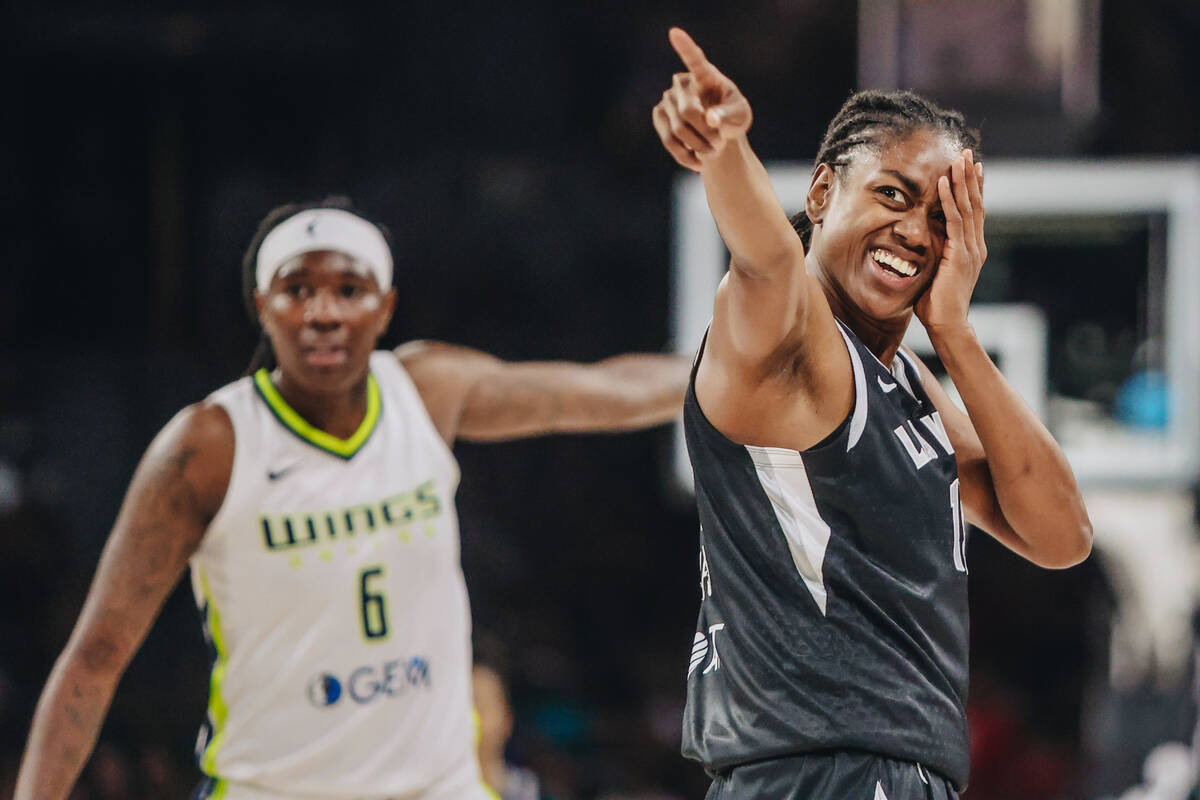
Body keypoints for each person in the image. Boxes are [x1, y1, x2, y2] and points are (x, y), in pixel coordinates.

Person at [15, 199, 689, 800]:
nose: (324, 312)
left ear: (386, 305)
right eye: (297, 289)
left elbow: (605, 390)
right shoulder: (210, 445)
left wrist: (731, 363)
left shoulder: (427, 392)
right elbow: (96, 654)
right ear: (262, 305)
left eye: (349, 288)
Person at [651, 28, 1092, 800]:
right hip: (817, 769)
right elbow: (764, 257)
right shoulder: (787, 341)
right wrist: (726, 148)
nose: (916, 233)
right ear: (821, 194)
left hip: (890, 772)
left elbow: (1062, 536)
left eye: (942, 219)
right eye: (893, 193)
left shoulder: (912, 382)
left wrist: (953, 331)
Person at [472, 661, 541, 800]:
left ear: (507, 721)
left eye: (481, 708)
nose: (472, 717)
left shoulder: (524, 788)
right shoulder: (443, 786)